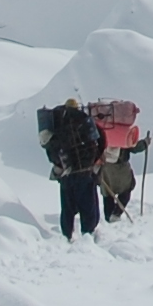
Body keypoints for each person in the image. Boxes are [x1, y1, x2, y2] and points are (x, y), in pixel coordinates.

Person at [42, 96, 106, 240]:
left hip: (66, 174)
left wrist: (58, 165)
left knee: (67, 207)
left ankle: (67, 235)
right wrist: (95, 160)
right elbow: (101, 141)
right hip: (85, 172)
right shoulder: (85, 122)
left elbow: (50, 149)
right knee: (88, 206)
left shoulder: (57, 125)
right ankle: (87, 234)